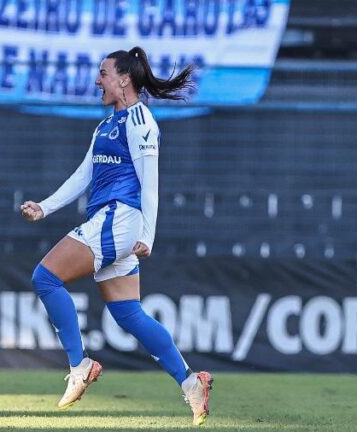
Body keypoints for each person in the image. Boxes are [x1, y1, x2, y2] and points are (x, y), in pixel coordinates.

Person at [20, 47, 213, 426]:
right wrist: (45, 206)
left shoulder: (141, 121)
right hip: (114, 222)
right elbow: (83, 175)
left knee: (45, 277)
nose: (97, 80)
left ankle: (80, 365)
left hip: (120, 220)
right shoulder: (108, 123)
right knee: (128, 312)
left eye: (103, 73)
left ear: (124, 78)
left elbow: (150, 185)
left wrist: (148, 235)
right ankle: (192, 383)